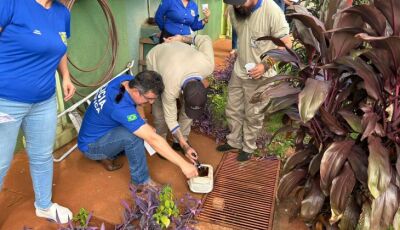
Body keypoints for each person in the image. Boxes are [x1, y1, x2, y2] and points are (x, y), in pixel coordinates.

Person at [0, 0, 75, 224]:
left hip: (44, 101)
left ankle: (43, 206)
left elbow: (59, 45)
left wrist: (66, 76)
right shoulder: (11, 4)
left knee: (42, 156)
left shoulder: (62, 13)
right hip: (6, 100)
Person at [77, 71, 198, 189]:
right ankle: (141, 182)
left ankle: (109, 156)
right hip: (91, 146)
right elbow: (153, 139)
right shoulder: (119, 107)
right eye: (149, 98)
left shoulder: (126, 81)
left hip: (99, 132)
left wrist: (143, 122)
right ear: (136, 92)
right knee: (134, 137)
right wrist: (184, 165)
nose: (152, 102)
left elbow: (138, 104)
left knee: (138, 129)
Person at [217, 0, 292, 161]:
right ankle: (234, 141)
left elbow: (286, 44)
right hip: (240, 69)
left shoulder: (272, 11)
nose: (236, 7)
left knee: (254, 114)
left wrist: (265, 65)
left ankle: (248, 146)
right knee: (233, 108)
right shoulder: (234, 8)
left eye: (239, 3)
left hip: (261, 75)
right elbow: (243, 33)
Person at [146, 35, 214, 162]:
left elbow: (205, 39)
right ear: (181, 92)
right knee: (159, 108)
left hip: (179, 53)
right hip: (157, 57)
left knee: (189, 108)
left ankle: (180, 139)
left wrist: (182, 39)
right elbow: (170, 119)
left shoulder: (208, 66)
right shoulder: (170, 87)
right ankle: (161, 139)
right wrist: (186, 146)